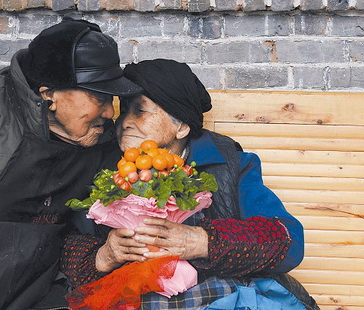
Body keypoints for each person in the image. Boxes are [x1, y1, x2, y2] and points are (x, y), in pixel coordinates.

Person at [61, 59, 319, 310]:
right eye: (123, 110)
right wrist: (105, 254)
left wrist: (203, 241)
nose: (125, 122)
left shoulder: (229, 164)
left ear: (181, 126)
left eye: (139, 110)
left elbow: (289, 241)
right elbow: (64, 245)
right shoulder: (101, 166)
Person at [0, 17, 142, 310]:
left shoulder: (104, 140)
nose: (111, 113)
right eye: (99, 97)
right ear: (49, 95)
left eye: (112, 98)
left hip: (39, 292)